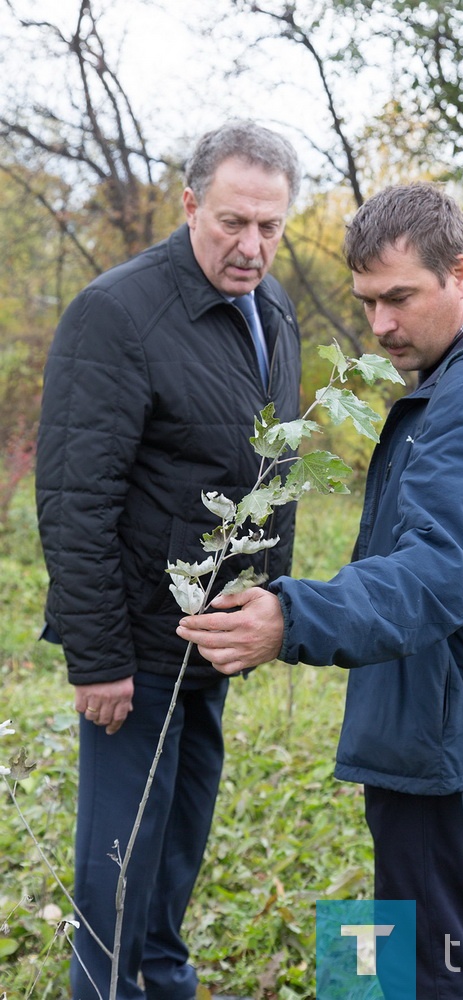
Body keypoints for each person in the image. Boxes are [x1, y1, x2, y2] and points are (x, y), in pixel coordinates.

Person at [177, 183, 463, 999]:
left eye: (399, 298)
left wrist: (293, 615)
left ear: (461, 273)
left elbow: (440, 569)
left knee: (435, 954)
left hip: (444, 712)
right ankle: (357, 989)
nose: (381, 327)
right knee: (409, 924)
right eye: (367, 302)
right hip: (438, 700)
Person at [35, 120, 302, 1000]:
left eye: (270, 226)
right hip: (138, 650)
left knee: (179, 840)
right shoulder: (118, 314)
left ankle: (164, 979)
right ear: (190, 204)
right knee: (119, 860)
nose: (251, 246)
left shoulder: (274, 311)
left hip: (213, 640)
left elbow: (269, 469)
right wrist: (99, 658)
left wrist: (266, 606)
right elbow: (77, 499)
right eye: (232, 221)